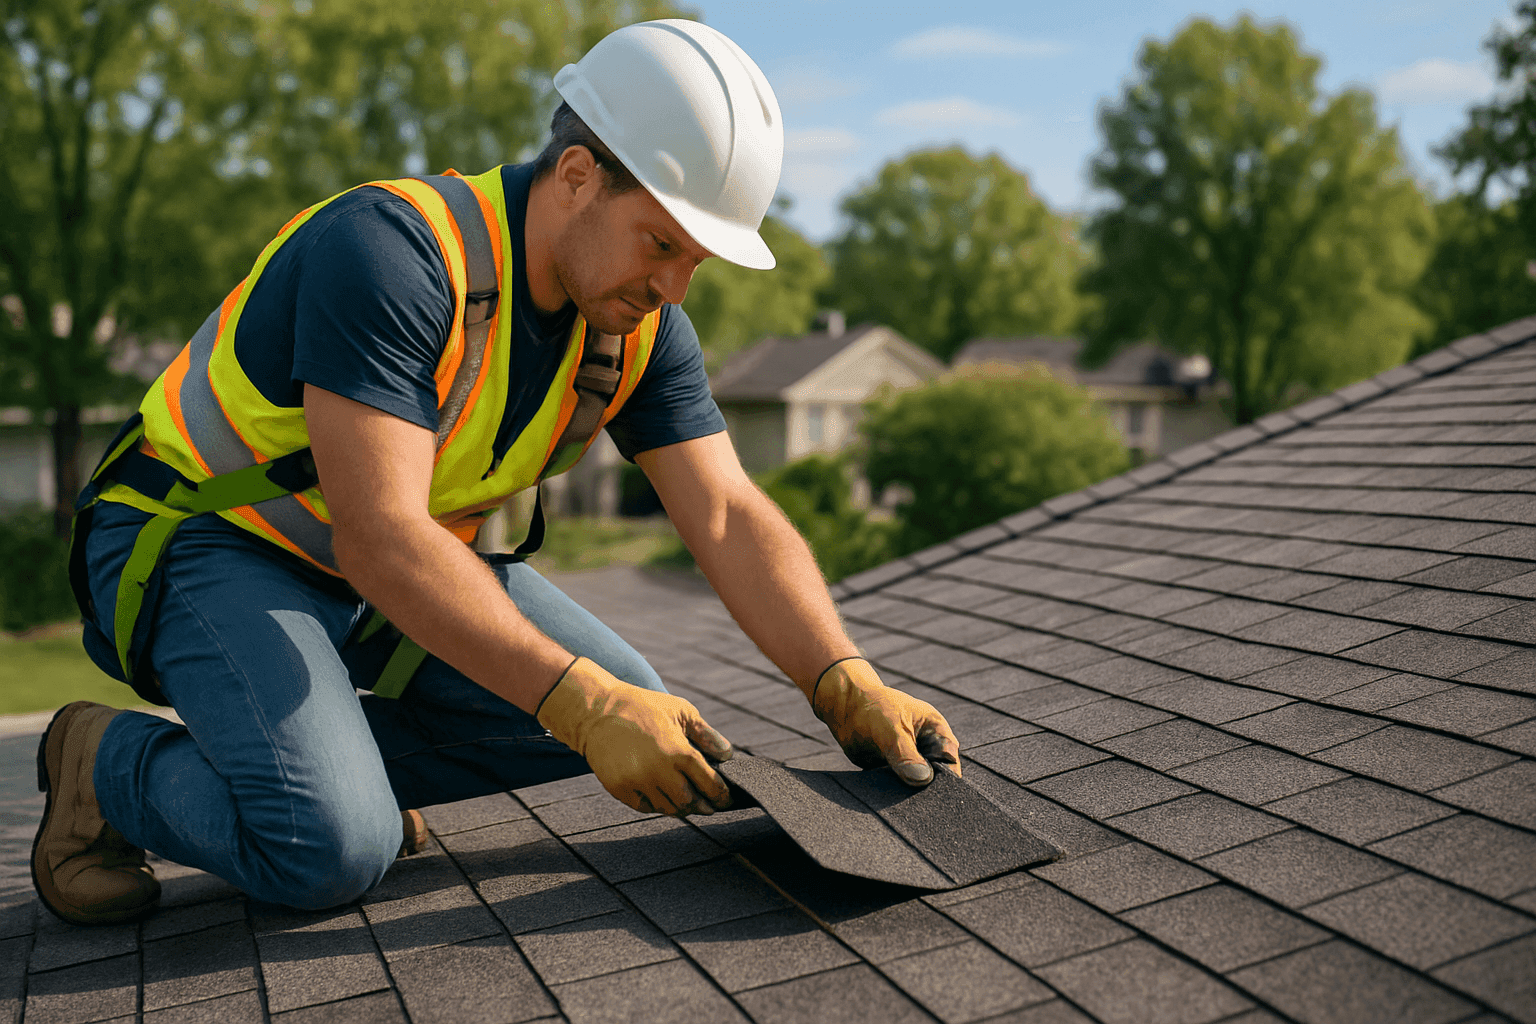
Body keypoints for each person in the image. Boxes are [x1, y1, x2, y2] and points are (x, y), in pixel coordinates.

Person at [33, 19, 960, 927]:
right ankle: (108, 765)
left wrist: (841, 679)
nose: (675, 289)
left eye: (697, 262)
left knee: (641, 705)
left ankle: (321, 774)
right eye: (663, 243)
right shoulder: (391, 255)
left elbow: (723, 510)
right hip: (207, 541)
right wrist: (586, 704)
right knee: (332, 851)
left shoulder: (633, 324)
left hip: (375, 573)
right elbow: (381, 535)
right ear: (576, 175)